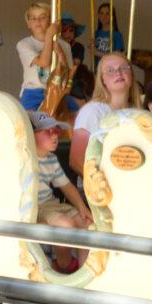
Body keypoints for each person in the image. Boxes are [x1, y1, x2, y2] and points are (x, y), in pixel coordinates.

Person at [28, 110, 92, 274]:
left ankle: (83, 270)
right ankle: (64, 267)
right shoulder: (25, 157)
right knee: (67, 225)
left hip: (51, 204)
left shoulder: (51, 158)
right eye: (48, 132)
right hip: (35, 207)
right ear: (30, 134)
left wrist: (82, 208)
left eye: (56, 131)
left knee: (87, 223)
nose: (55, 135)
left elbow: (66, 186)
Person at [69, 51, 142, 176]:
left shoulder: (138, 113)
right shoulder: (92, 111)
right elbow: (76, 160)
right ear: (102, 80)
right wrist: (102, 184)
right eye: (110, 70)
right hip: (102, 185)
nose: (118, 73)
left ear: (131, 75)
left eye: (124, 68)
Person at [15, 3, 78, 113]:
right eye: (33, 18)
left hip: (59, 91)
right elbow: (43, 62)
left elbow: (67, 73)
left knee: (77, 115)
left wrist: (61, 53)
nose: (37, 21)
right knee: (26, 121)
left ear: (50, 21)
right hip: (34, 91)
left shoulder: (65, 45)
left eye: (42, 17)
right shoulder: (24, 44)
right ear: (29, 24)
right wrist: (49, 36)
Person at [60, 12, 93, 104]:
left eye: (71, 30)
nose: (68, 34)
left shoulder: (78, 47)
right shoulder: (56, 45)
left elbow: (75, 63)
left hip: (74, 77)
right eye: (64, 30)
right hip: (58, 77)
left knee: (78, 92)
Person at [90, 3, 124, 67]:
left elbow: (117, 57)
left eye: (107, 13)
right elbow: (93, 52)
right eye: (101, 13)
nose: (104, 16)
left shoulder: (117, 35)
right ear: (98, 16)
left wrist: (97, 52)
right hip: (97, 68)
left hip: (110, 69)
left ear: (112, 16)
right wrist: (92, 46)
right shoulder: (96, 33)